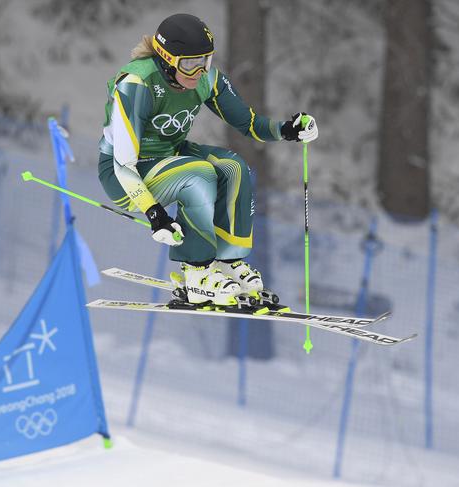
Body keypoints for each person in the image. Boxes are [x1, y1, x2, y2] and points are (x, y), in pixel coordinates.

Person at [98, 13, 318, 306]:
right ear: (167, 58)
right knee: (199, 174)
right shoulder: (137, 83)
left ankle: (227, 262)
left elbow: (248, 123)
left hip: (170, 156)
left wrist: (286, 130)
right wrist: (153, 211)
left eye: (205, 61)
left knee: (233, 166)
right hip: (126, 174)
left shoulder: (205, 80)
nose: (199, 71)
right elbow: (123, 163)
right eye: (190, 63)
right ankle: (197, 271)